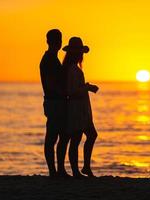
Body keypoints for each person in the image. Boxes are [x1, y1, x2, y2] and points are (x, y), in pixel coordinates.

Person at [62, 37, 98, 178]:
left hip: (80, 108)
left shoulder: (73, 69)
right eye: (79, 52)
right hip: (77, 109)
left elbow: (74, 89)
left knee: (88, 136)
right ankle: (78, 170)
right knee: (77, 139)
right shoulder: (72, 70)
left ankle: (85, 168)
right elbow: (72, 91)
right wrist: (87, 87)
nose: (81, 55)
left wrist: (85, 87)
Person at [39, 29, 70, 177]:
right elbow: (51, 85)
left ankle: (60, 170)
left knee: (62, 135)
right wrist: (65, 93)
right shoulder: (49, 59)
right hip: (54, 102)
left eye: (59, 39)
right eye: (56, 39)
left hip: (57, 102)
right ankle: (53, 171)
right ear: (49, 41)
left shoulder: (53, 58)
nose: (58, 42)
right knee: (52, 137)